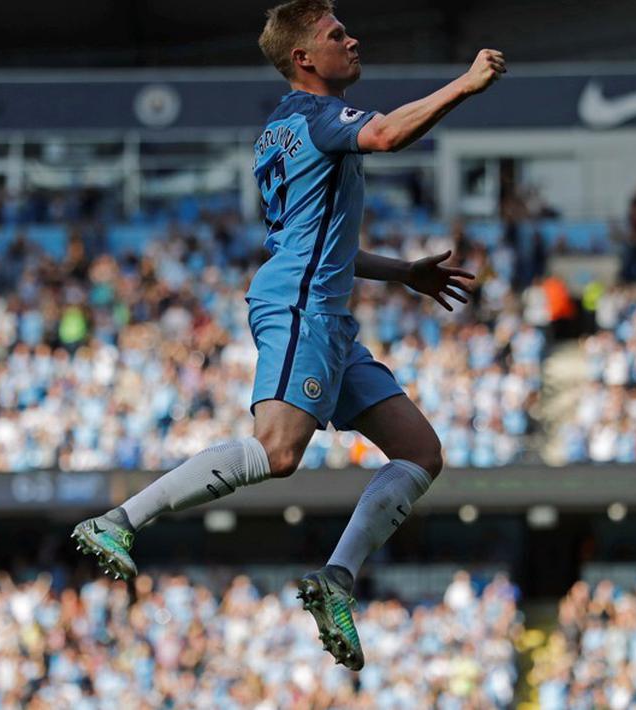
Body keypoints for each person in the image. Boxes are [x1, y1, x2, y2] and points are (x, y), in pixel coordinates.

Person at [72, 0, 505, 671]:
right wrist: (463, 85)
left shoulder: (282, 128)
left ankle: (335, 580)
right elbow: (387, 136)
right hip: (299, 305)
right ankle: (120, 519)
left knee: (420, 453)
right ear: (304, 58)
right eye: (337, 35)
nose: (352, 40)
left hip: (323, 310)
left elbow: (313, 238)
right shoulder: (315, 117)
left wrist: (403, 273)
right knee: (277, 452)